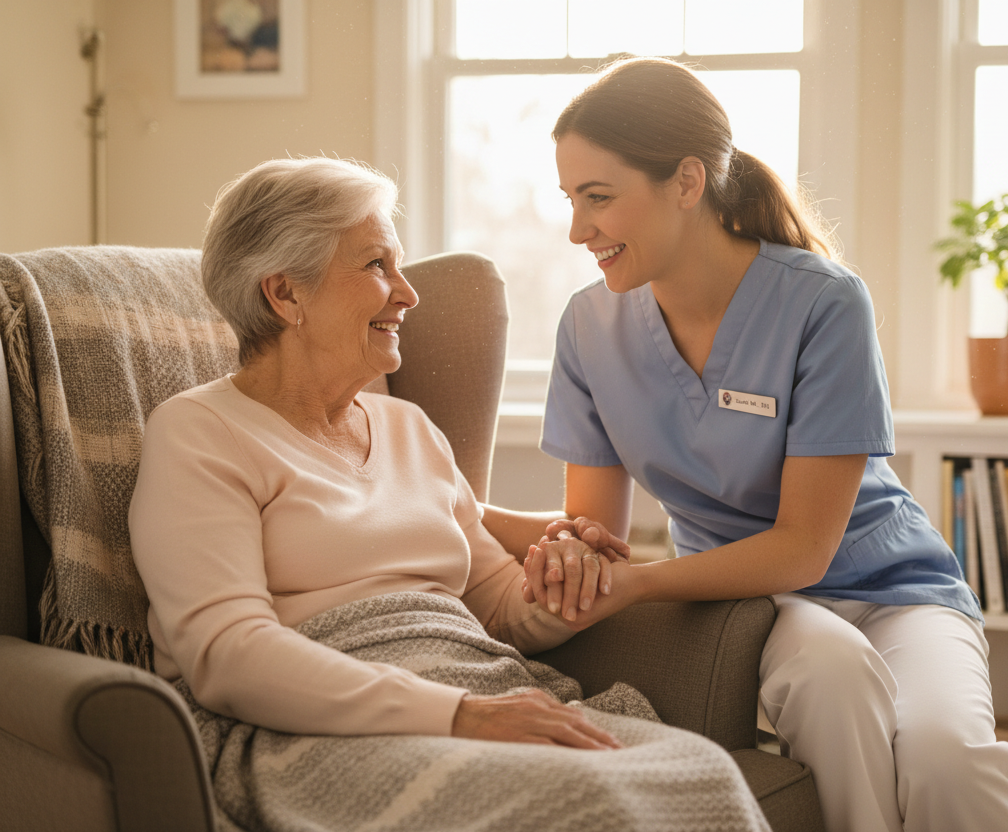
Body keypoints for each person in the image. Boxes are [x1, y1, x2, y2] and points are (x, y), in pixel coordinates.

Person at [128, 156, 769, 831]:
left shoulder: (409, 428)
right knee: (584, 803)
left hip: (476, 684)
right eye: (377, 266)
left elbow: (495, 603)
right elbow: (227, 656)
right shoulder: (201, 434)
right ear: (286, 296)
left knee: (698, 771)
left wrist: (562, 586)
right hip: (319, 727)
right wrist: (461, 716)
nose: (408, 294)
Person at [522, 58, 1008, 832]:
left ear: (687, 181)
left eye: (599, 198)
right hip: (751, 604)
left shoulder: (822, 302)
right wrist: (535, 540)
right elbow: (594, 530)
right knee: (838, 692)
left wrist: (636, 584)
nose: (577, 229)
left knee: (948, 759)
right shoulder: (587, 328)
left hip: (894, 592)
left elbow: (802, 547)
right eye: (571, 200)